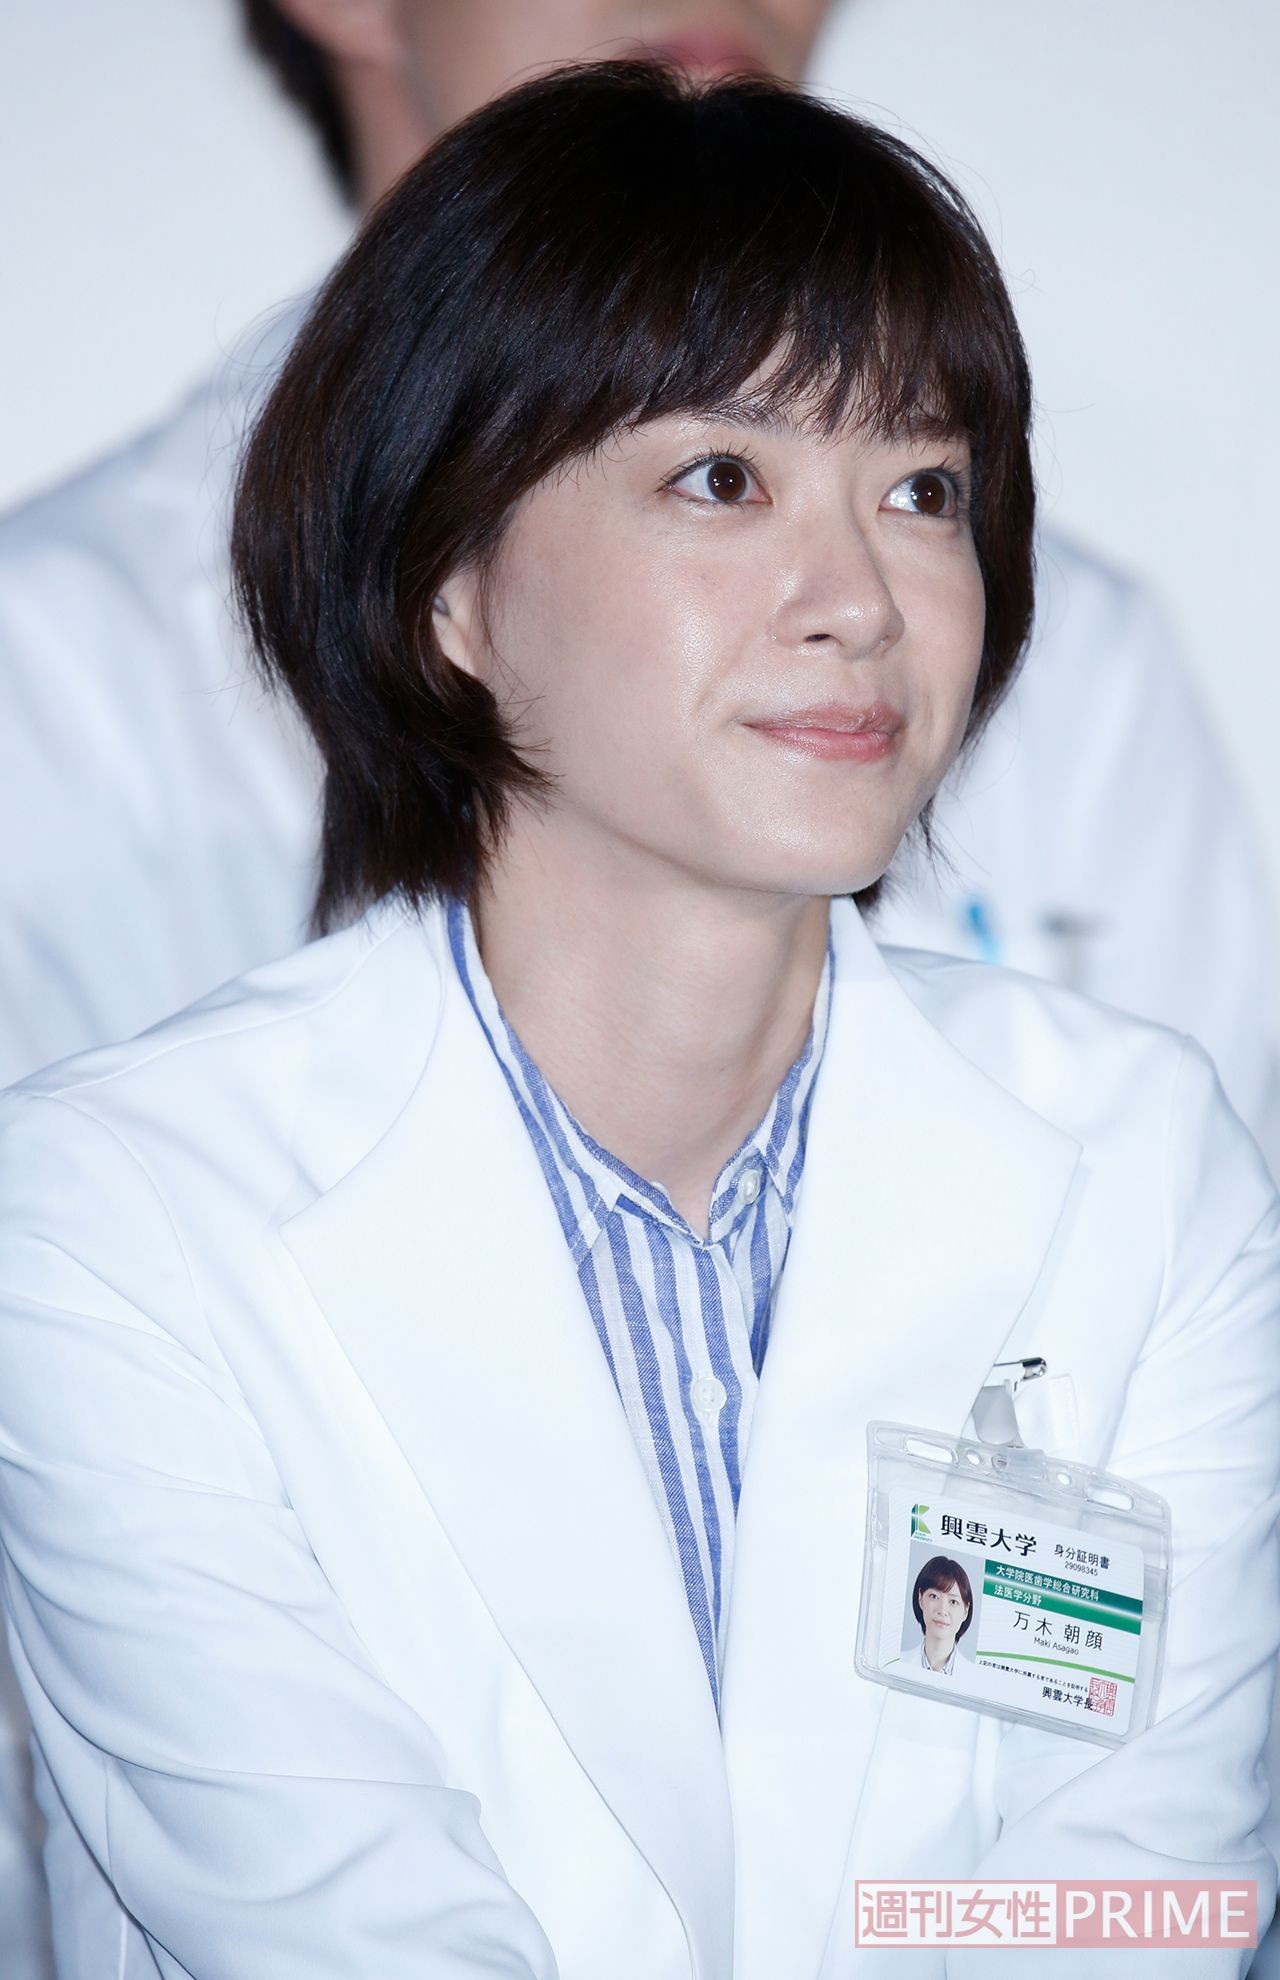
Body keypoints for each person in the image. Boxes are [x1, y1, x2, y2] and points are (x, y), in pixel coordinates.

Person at [1, 62, 1276, 1979]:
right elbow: (348, 1934)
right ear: (447, 585)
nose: (859, 600)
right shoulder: (116, 1219)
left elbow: (1129, 1907)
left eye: (923, 491)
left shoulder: (1145, 1168)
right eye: (722, 480)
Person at [910, 1558, 973, 1676]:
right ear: (920, 1598)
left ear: (966, 1610)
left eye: (953, 1601)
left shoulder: (974, 1677)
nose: (942, 1610)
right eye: (934, 1596)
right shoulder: (896, 1663)